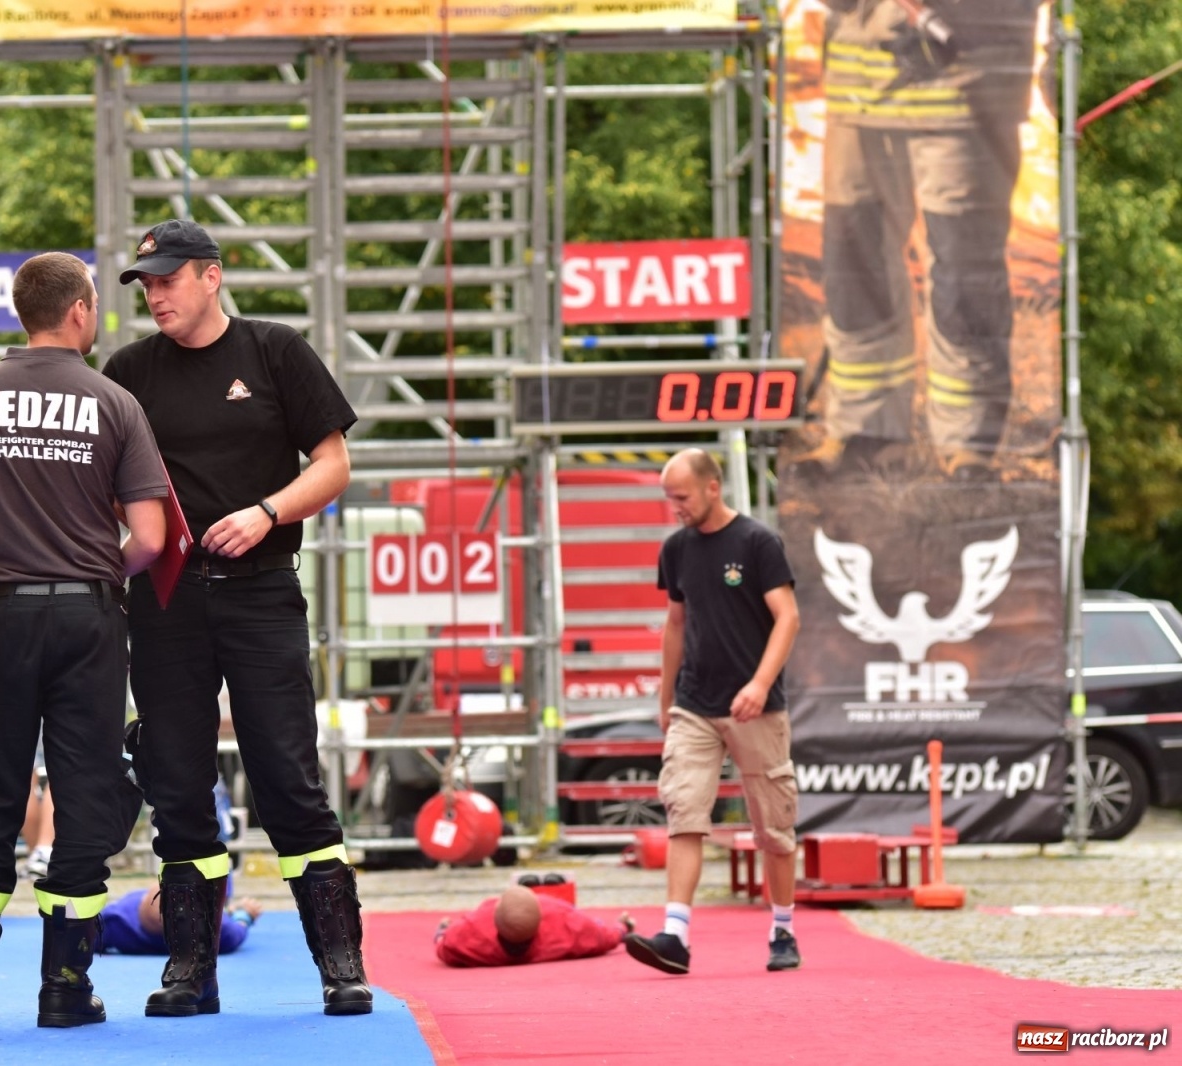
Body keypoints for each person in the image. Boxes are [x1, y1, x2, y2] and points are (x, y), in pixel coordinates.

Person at [0, 251, 168, 1031]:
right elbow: (147, 537)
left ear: (22, 312)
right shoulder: (115, 403)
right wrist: (87, 573)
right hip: (90, 619)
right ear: (80, 310)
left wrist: (14, 562)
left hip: (5, 617)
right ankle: (67, 987)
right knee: (84, 796)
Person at [105, 218, 370, 1018]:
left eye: (169, 278)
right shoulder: (126, 372)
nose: (155, 293)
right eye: (145, 282)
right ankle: (191, 967)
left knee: (290, 779)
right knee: (178, 784)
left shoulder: (274, 350)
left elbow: (334, 465)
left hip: (261, 588)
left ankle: (340, 964)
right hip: (165, 599)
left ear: (212, 276)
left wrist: (266, 512)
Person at [800, 0, 1044, 479]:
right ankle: (865, 430)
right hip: (859, 94)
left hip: (968, 88)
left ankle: (969, 442)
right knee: (854, 266)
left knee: (964, 271)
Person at [626, 449, 802, 976]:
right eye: (667, 497)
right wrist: (666, 699)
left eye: (680, 497)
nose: (673, 507)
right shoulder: (676, 549)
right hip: (695, 705)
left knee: (773, 827)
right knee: (684, 809)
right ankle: (675, 934)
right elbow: (675, 624)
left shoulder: (757, 542)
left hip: (756, 707)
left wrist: (760, 683)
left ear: (711, 488)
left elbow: (788, 618)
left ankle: (783, 928)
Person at [434, 884, 631, 968]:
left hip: (468, 934)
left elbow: (445, 947)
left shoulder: (470, 932)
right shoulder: (565, 923)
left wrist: (443, 931)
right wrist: (623, 928)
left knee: (445, 932)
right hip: (559, 919)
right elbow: (601, 936)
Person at [99, 886, 262, 957]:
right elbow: (238, 929)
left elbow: (83, 938)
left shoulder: (115, 920)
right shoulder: (219, 933)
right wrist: (245, 914)